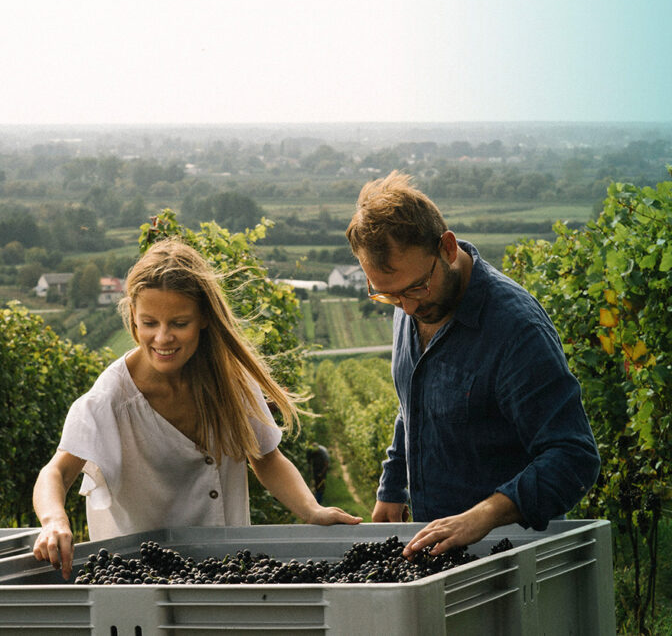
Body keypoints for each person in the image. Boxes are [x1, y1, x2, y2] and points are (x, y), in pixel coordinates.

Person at [33, 239, 361, 578]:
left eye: (178, 323)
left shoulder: (230, 380)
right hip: (142, 583)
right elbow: (56, 473)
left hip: (230, 573)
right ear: (132, 316)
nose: (162, 338)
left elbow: (266, 457)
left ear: (203, 317)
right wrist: (54, 521)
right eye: (149, 323)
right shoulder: (109, 400)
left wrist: (311, 510)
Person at [344, 171, 600, 559]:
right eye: (388, 296)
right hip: (436, 552)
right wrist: (393, 485)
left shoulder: (515, 330)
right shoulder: (410, 301)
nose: (409, 308)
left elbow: (574, 457)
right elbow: (414, 402)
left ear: (447, 248)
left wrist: (482, 516)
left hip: (509, 558)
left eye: (416, 288)